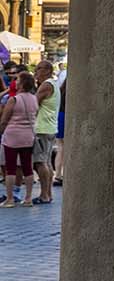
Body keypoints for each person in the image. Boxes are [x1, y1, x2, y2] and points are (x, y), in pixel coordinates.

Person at [0, 70, 38, 207]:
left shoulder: (14, 99)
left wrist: (1, 130)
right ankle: (28, 198)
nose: (14, 82)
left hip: (12, 136)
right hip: (28, 136)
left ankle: (10, 199)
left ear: (21, 83)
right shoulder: (34, 98)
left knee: (10, 168)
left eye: (17, 80)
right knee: (27, 168)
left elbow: (4, 120)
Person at [32, 60, 57, 204]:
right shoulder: (52, 84)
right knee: (46, 162)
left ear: (47, 70)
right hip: (49, 127)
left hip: (42, 128)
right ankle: (48, 193)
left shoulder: (46, 85)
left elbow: (34, 103)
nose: (36, 72)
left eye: (39, 69)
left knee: (40, 163)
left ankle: (44, 195)